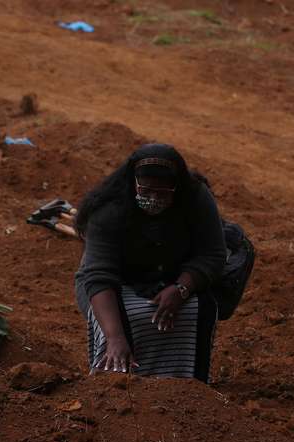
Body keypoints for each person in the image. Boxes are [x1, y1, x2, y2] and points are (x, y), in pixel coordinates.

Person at [74, 143, 226, 383]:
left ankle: (184, 386)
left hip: (174, 278)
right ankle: (116, 382)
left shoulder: (195, 198)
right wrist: (115, 337)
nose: (154, 198)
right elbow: (99, 275)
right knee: (129, 319)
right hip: (114, 284)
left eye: (163, 192)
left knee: (196, 311)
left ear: (177, 187)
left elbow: (214, 254)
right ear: (133, 182)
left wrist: (182, 288)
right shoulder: (109, 209)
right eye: (145, 191)